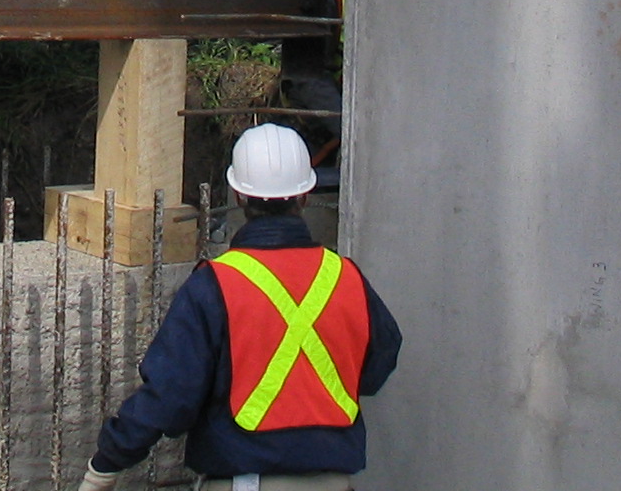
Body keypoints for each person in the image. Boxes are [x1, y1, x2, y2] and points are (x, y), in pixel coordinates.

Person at [76, 124, 401, 491]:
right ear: (306, 194)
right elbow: (377, 365)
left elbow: (171, 395)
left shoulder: (215, 285)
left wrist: (106, 465)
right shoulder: (346, 278)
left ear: (239, 195)